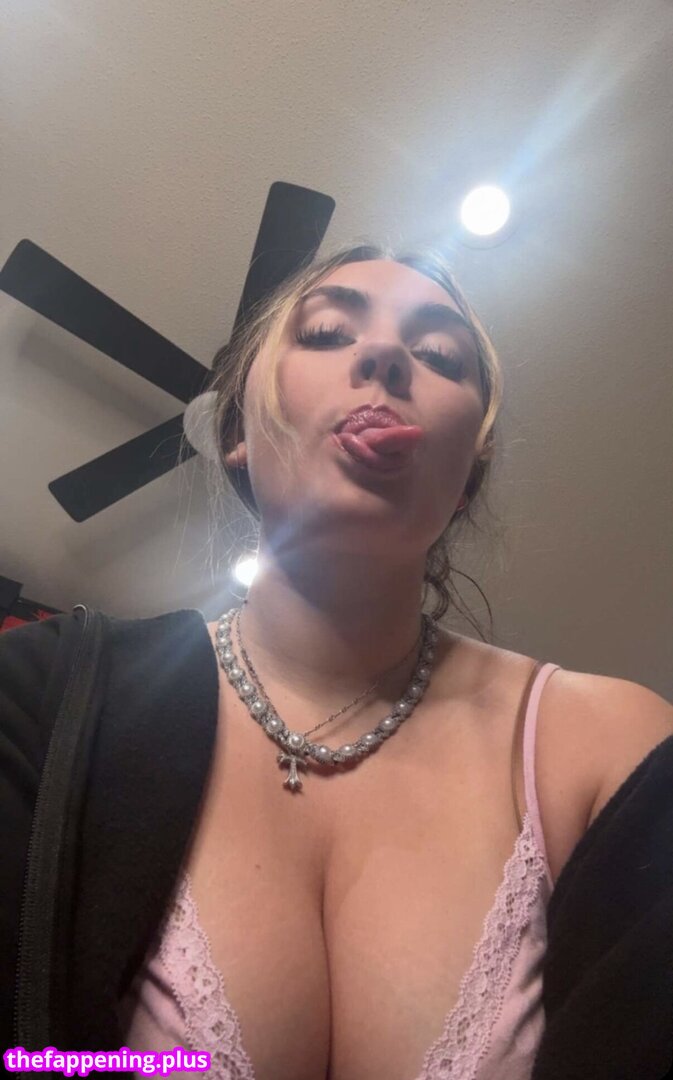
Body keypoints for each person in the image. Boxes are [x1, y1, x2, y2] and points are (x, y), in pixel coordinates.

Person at [2, 242, 672, 1080]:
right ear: (236, 432)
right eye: (325, 333)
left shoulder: (608, 751)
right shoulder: (44, 694)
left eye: (439, 355)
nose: (384, 354)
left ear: (469, 472)